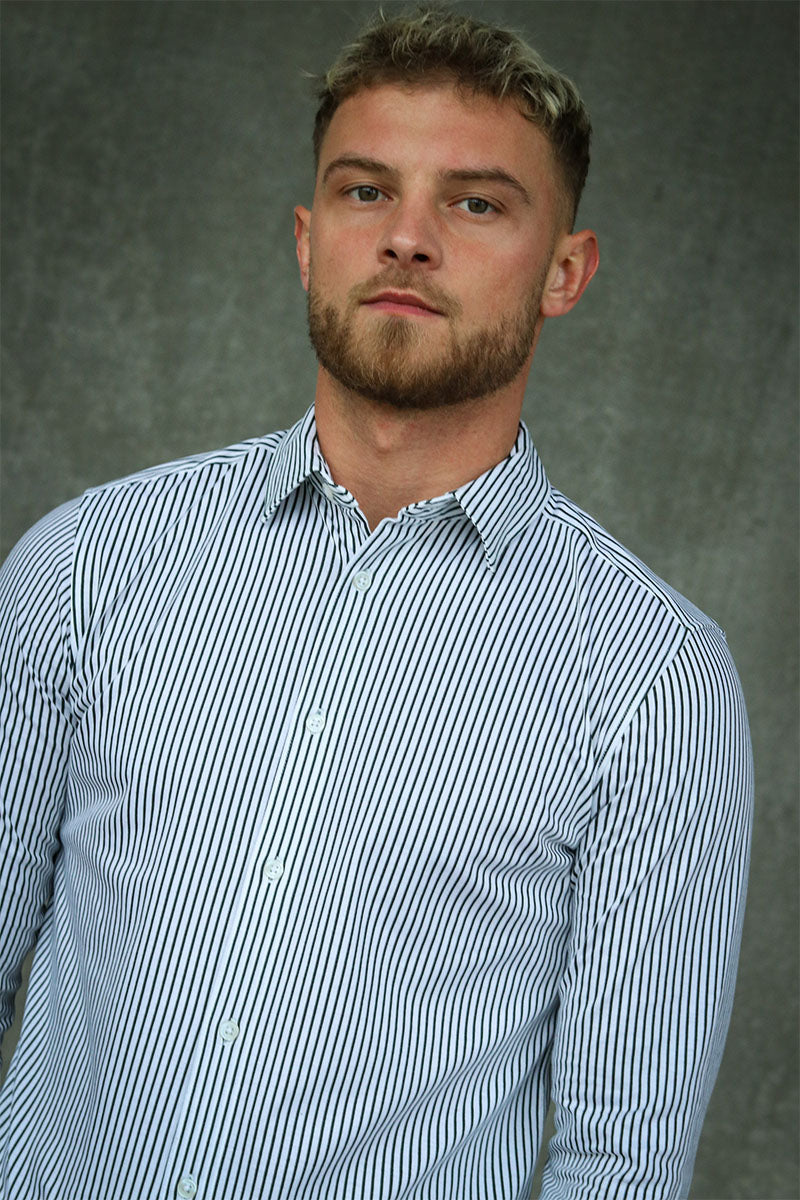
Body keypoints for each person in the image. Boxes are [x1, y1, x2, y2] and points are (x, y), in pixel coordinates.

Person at [0, 6, 753, 1198]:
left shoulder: (653, 681)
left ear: (564, 272)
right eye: (365, 191)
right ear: (308, 241)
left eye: (475, 203)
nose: (406, 238)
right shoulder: (88, 563)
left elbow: (620, 1159)